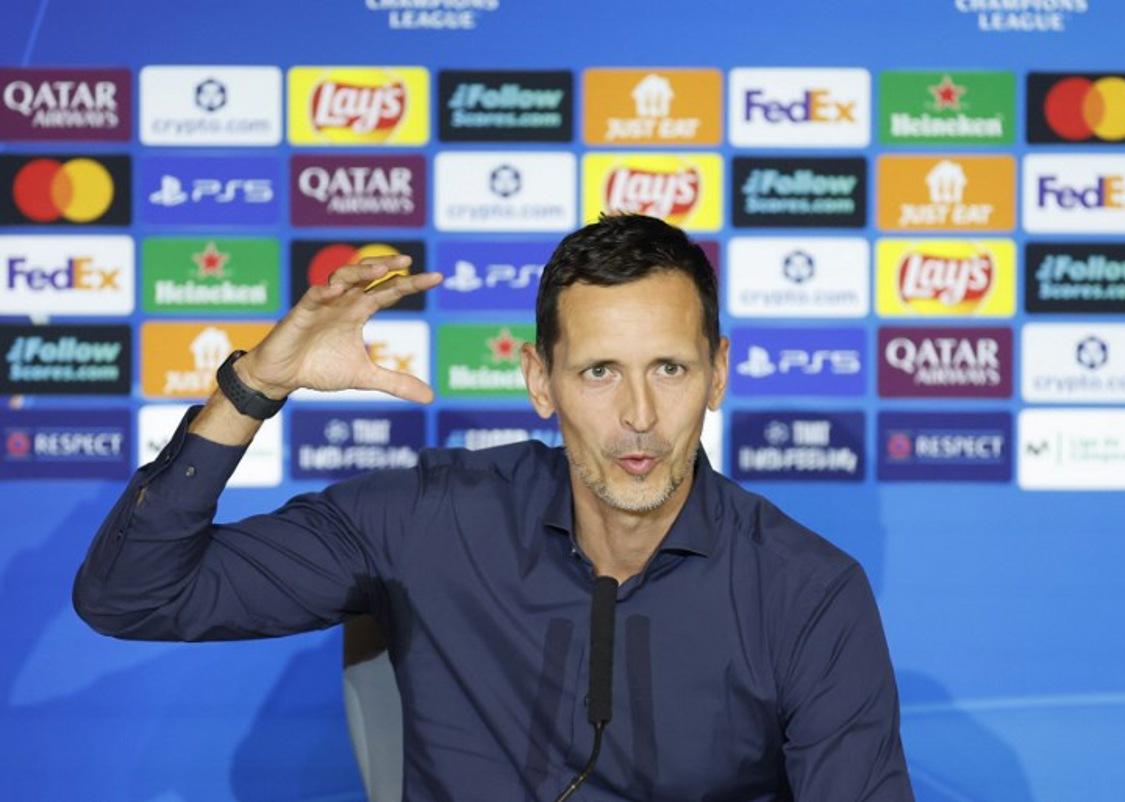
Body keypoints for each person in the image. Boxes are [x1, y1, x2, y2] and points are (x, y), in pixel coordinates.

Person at [74, 213, 914, 801]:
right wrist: (254, 386)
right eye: (597, 372)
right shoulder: (432, 519)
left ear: (719, 374)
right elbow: (132, 594)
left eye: (669, 369)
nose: (638, 417)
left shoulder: (807, 594)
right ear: (539, 382)